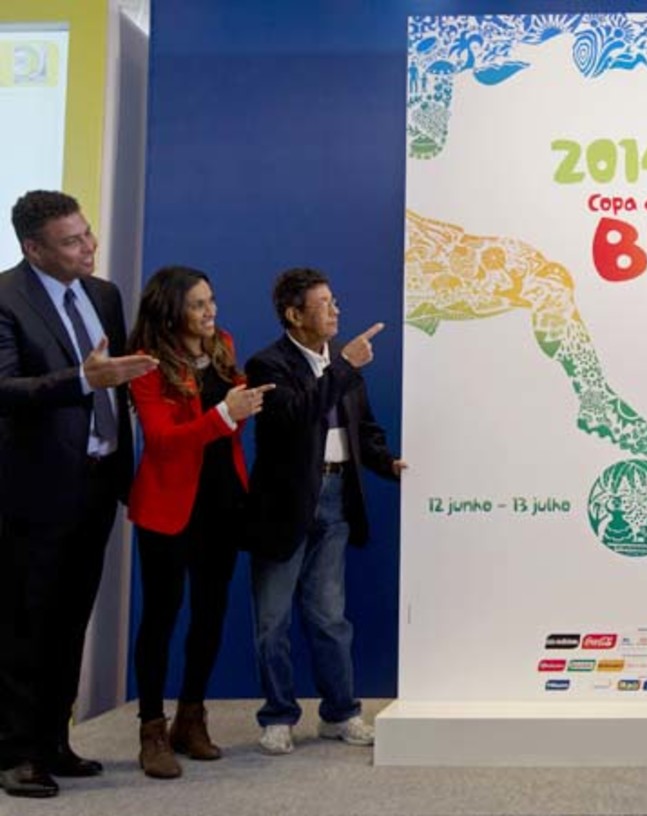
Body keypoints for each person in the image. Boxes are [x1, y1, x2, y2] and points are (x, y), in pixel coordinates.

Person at [0, 191, 157, 798]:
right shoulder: (6, 298)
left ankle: (52, 741)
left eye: (87, 233)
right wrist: (82, 380)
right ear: (33, 248)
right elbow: (6, 389)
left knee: (70, 622)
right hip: (33, 490)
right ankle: (14, 753)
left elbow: (117, 380)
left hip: (97, 482)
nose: (89, 246)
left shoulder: (104, 295)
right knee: (25, 623)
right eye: (71, 241)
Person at [245, 267, 405, 755]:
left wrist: (386, 462)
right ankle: (278, 716)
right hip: (285, 503)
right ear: (294, 315)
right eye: (324, 304)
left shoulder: (342, 363)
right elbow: (296, 415)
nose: (336, 311)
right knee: (272, 620)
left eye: (335, 301)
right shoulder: (267, 365)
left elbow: (363, 428)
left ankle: (340, 713)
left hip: (336, 497)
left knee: (330, 616)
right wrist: (345, 367)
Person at [126, 266, 274, 779]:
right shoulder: (146, 363)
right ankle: (151, 729)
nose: (210, 311)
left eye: (211, 300)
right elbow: (162, 441)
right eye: (197, 304)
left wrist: (244, 407)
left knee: (210, 614)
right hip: (168, 507)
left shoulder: (222, 343)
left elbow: (229, 420)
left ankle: (191, 719)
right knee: (161, 617)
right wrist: (225, 415)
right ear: (171, 311)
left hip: (222, 502)